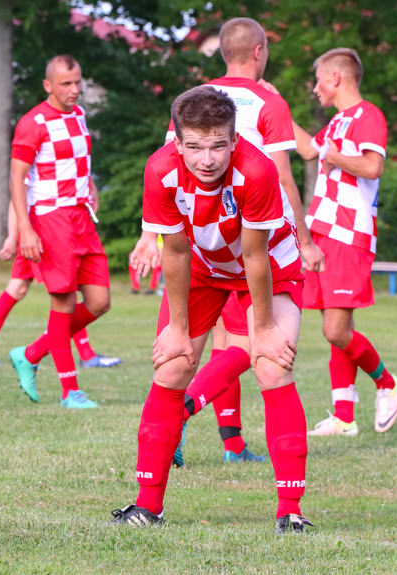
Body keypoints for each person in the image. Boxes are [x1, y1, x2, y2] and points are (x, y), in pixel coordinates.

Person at [110, 86, 312, 534]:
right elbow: (176, 252)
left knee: (270, 365)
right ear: (177, 143)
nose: (207, 159)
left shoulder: (257, 171)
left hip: (268, 266)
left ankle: (290, 512)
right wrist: (178, 330)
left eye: (219, 144)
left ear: (235, 141)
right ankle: (147, 506)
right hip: (201, 266)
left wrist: (264, 329)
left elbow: (256, 257)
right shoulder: (160, 169)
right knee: (172, 366)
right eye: (195, 146)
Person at [135, 17, 324, 466]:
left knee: (231, 348)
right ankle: (211, 430)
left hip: (219, 240)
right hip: (231, 240)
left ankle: (229, 440)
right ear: (260, 51)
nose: (207, 156)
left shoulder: (195, 100)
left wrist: (148, 238)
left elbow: (174, 175)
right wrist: (305, 236)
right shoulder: (267, 102)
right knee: (242, 349)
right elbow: (280, 176)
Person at [288, 48, 397, 437]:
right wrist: (273, 110)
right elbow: (308, 150)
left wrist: (336, 157)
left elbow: (372, 166)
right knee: (335, 323)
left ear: (336, 78)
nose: (315, 87)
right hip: (323, 231)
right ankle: (344, 417)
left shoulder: (368, 116)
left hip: (349, 233)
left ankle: (386, 382)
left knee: (336, 330)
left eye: (318, 78)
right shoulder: (338, 121)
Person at [7, 54, 112, 409]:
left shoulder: (80, 115)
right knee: (63, 302)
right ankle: (71, 391)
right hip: (51, 220)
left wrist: (91, 185)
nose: (74, 90)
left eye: (78, 82)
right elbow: (16, 179)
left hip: (82, 218)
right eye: (66, 83)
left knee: (99, 302)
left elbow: (76, 161)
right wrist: (25, 229)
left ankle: (32, 352)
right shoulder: (32, 122)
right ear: (48, 85)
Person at [0, 203, 121, 370]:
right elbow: (16, 196)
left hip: (45, 228)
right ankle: (85, 356)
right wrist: (12, 237)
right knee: (62, 290)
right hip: (40, 232)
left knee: (20, 288)